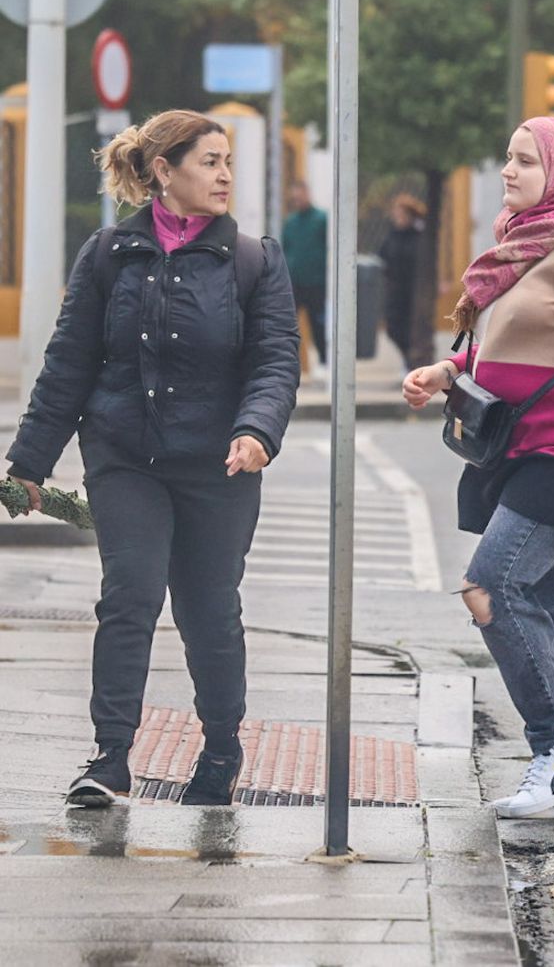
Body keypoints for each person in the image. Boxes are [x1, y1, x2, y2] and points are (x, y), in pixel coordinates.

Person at [5, 109, 300, 807]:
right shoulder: (109, 254)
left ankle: (221, 753)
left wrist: (257, 430)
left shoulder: (255, 260)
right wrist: (28, 464)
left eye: (229, 161)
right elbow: (69, 364)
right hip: (124, 457)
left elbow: (275, 361)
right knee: (129, 597)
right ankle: (109, 758)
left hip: (219, 465)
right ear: (164, 172)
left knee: (207, 612)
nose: (225, 174)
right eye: (209, 161)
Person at [402, 116, 554, 821]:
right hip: (513, 454)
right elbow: (500, 346)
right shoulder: (524, 245)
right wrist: (448, 372)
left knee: (490, 588)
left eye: (526, 161)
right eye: (507, 157)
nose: (508, 170)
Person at [281, 179, 328, 372]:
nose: (298, 199)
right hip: (295, 282)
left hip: (317, 282)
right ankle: (289, 364)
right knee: (288, 323)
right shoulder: (290, 222)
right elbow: (286, 248)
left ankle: (324, 361)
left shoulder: (321, 219)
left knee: (319, 324)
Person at [378, 193, 428, 370]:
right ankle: (408, 358)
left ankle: (413, 362)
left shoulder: (419, 236)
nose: (398, 218)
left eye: (402, 214)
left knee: (411, 327)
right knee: (393, 327)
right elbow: (383, 255)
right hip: (394, 288)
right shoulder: (392, 235)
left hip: (413, 290)